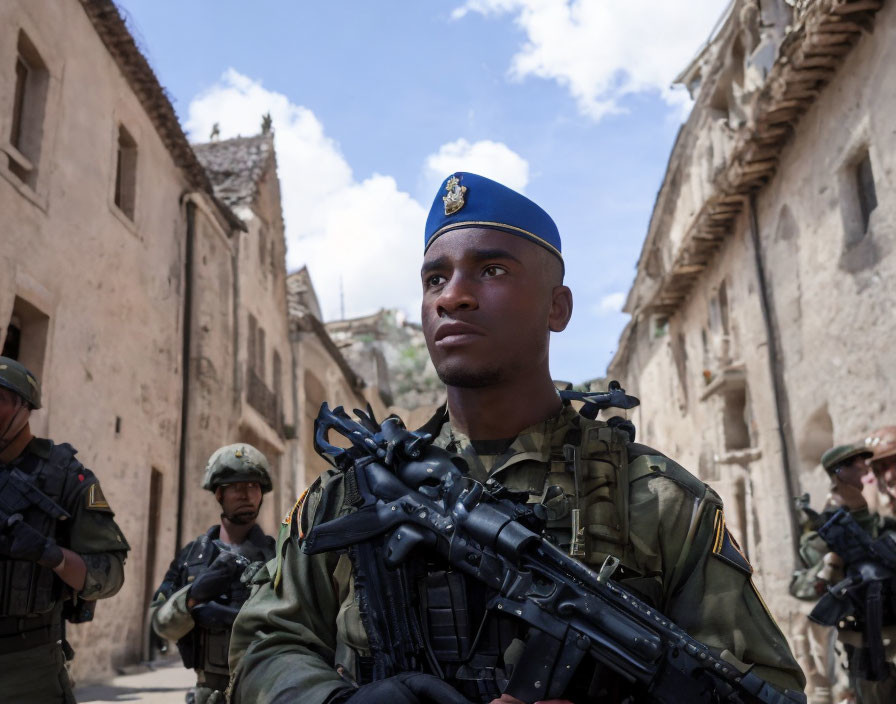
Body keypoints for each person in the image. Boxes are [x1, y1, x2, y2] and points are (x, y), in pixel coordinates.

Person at [228, 172, 805, 703]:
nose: (453, 295)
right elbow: (263, 645)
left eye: (492, 270)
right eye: (435, 278)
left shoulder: (657, 502)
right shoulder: (353, 493)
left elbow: (762, 686)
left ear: (558, 307)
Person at [0, 356, 129, 702]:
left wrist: (51, 554)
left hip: (26, 666)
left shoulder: (66, 477)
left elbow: (111, 574)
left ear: (25, 409)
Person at [151, 443, 276, 704]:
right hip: (209, 691)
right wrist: (192, 597)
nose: (246, 494)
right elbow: (159, 624)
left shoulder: (278, 557)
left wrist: (237, 619)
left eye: (253, 486)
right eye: (237, 487)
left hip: (267, 687)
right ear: (219, 494)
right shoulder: (192, 557)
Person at [791, 440, 896, 704]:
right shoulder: (829, 521)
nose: (867, 472)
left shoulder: (878, 513)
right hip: (865, 643)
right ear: (839, 473)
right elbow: (807, 584)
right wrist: (830, 568)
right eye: (858, 467)